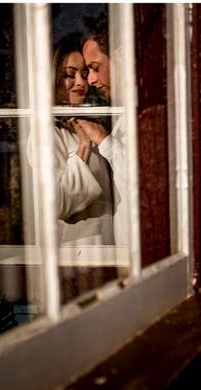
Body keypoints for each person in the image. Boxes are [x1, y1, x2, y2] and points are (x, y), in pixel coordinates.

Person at [40, 34, 115, 245]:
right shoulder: (45, 133)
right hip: (77, 250)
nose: (82, 82)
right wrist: (84, 146)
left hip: (109, 244)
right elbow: (58, 204)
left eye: (85, 73)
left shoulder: (86, 123)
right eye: (70, 74)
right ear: (52, 78)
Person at [72, 17, 130, 246]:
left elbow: (148, 184)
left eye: (95, 68)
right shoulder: (124, 113)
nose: (91, 80)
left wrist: (104, 140)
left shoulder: (151, 111)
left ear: (122, 55)